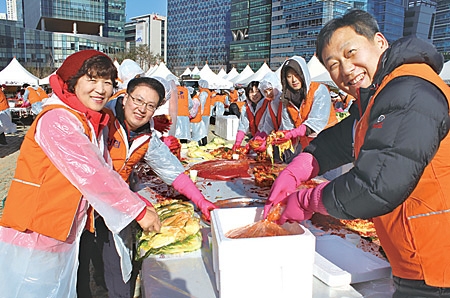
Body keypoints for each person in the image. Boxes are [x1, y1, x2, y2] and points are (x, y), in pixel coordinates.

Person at [264, 9, 450, 297]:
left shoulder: (410, 90)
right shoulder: (381, 95)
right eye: (333, 64)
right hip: (414, 255)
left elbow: (376, 185)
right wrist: (297, 170)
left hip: (436, 263)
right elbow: (340, 140)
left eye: (351, 52)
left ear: (380, 42)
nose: (346, 68)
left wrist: (306, 199)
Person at [0, 50, 161, 297]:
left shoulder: (87, 121)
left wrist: (139, 202)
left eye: (107, 82)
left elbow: (107, 171)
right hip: (34, 234)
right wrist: (138, 211)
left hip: (61, 231)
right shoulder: (58, 119)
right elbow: (93, 175)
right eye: (92, 79)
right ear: (73, 82)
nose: (101, 89)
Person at [91, 77, 216, 297]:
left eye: (150, 106)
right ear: (125, 97)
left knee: (116, 278)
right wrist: (136, 204)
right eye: (138, 100)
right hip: (83, 207)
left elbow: (171, 169)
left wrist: (200, 200)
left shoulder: (145, 134)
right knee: (86, 271)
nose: (142, 109)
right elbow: (95, 173)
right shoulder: (102, 120)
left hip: (111, 210)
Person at [270, 56, 338, 161]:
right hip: (306, 147)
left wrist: (291, 133)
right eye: (289, 76)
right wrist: (278, 139)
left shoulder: (319, 90)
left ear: (303, 74)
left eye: (297, 74)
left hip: (327, 145)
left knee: (325, 177)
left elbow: (315, 123)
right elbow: (287, 127)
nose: (293, 80)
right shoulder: (286, 99)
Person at [232, 81, 271, 152]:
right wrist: (237, 143)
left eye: (257, 91)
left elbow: (266, 127)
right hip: (256, 139)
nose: (254, 94)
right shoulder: (246, 106)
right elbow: (243, 125)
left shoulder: (267, 104)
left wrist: (252, 142)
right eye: (251, 92)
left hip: (268, 140)